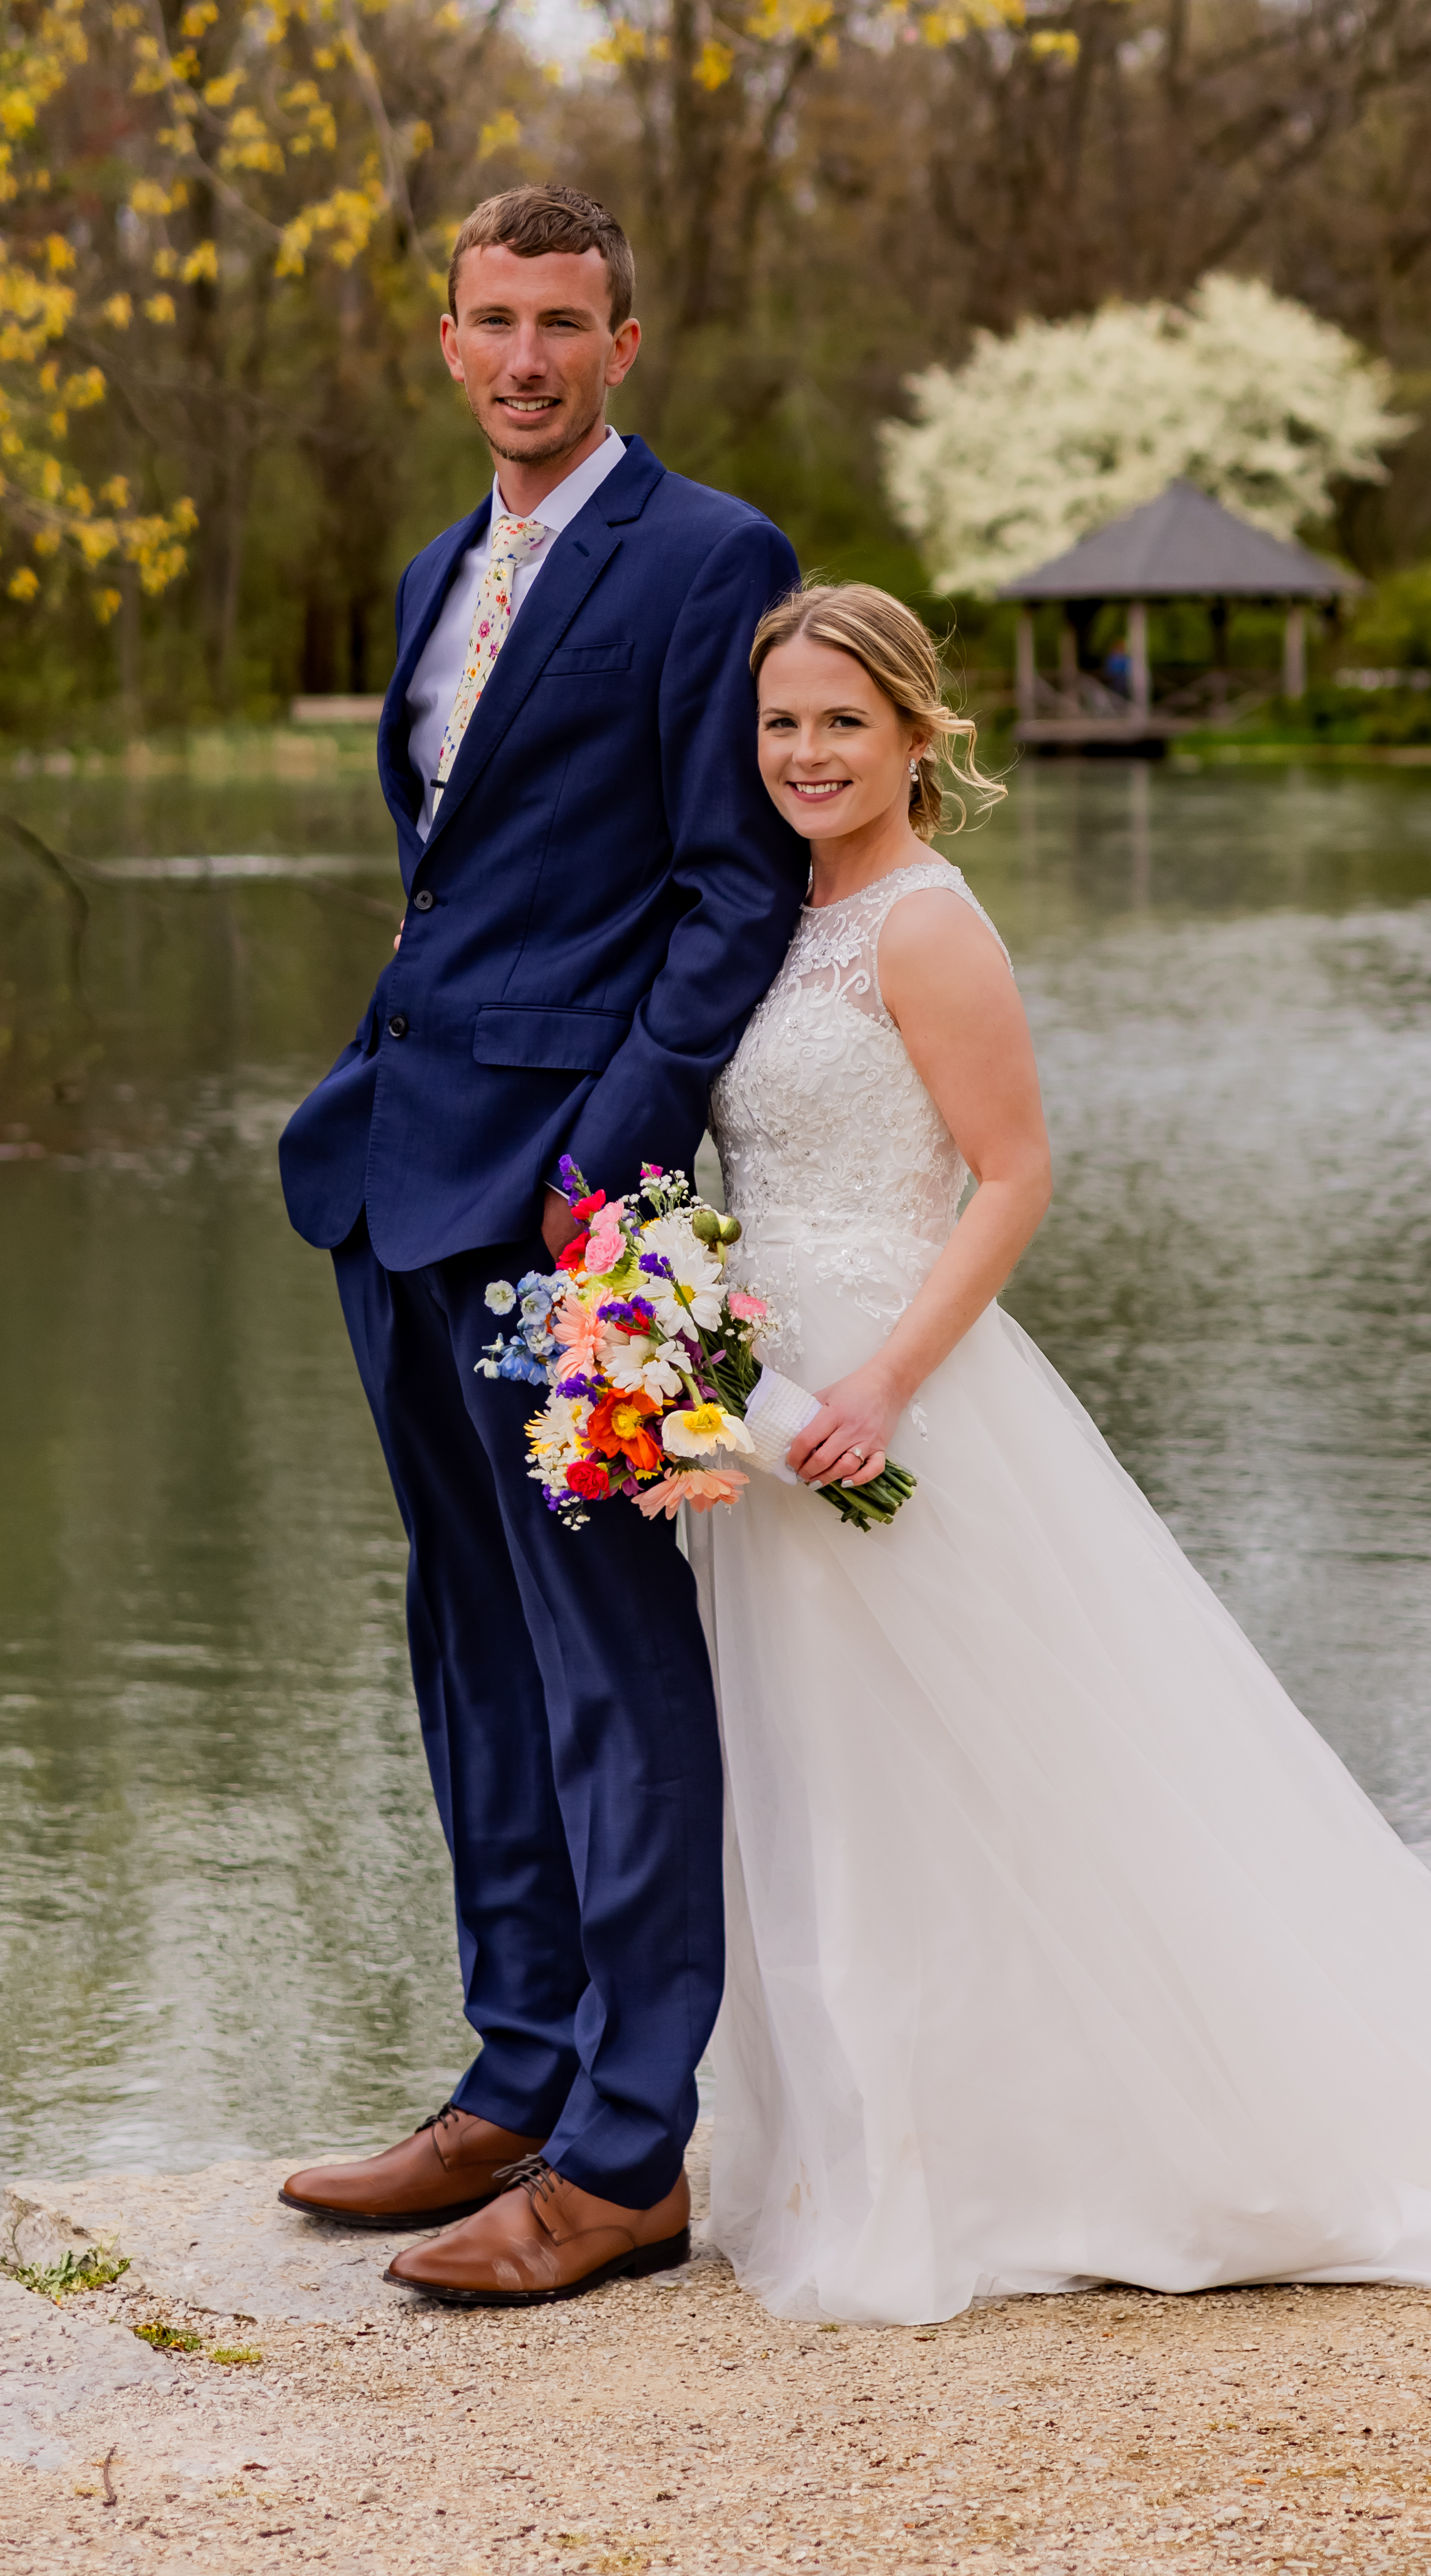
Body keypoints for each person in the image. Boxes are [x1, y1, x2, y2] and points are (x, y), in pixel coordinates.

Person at [682, 584, 1431, 2326]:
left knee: (1001, 1779)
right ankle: (860, 2142)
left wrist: (891, 1381)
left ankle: (1063, 2147)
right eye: (782, 724)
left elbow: (1012, 1176)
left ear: (918, 733)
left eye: (843, 721)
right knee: (825, 1790)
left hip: (892, 1404)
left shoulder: (924, 925)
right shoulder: (769, 916)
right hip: (762, 1418)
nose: (808, 754)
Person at [276, 183, 802, 2306]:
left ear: (624, 340)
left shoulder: (710, 560)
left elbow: (728, 896)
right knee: (470, 1646)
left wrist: (606, 1174)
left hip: (575, 1209)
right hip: (393, 1175)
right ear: (445, 339)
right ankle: (514, 2072)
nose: (523, 358)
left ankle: (628, 2150)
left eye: (561, 323)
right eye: (491, 321)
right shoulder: (431, 571)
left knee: (608, 1664)